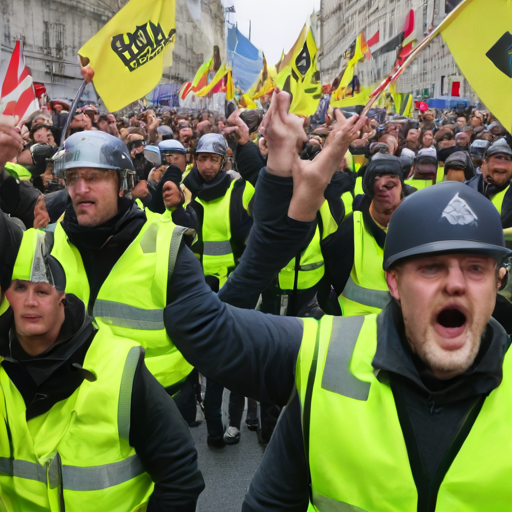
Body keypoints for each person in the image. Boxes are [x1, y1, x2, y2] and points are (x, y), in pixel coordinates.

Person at [162, 95, 512, 511]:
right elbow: (205, 329)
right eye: (431, 268)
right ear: (394, 282)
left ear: (499, 281)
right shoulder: (324, 359)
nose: (455, 285)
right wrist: (277, 184)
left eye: (475, 269)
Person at [0, 226, 204, 511]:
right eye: (20, 288)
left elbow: (180, 473)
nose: (31, 301)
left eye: (42, 290)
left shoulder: (120, 368)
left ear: (62, 296)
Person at [0, 130, 194, 410]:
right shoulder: (37, 244)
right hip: (58, 416)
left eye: (93, 177)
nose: (80, 189)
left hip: (144, 412)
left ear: (122, 183)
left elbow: (214, 333)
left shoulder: (168, 248)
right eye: (73, 178)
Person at [183, 133, 254, 448]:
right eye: (202, 159)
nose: (207, 165)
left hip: (234, 284)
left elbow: (267, 187)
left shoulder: (239, 190)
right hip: (199, 285)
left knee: (235, 353)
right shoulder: (187, 193)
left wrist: (248, 147)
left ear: (224, 161)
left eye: (213, 159)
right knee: (210, 357)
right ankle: (214, 426)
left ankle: (236, 422)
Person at [466, 138, 512, 228]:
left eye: (507, 159)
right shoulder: (467, 188)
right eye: (497, 158)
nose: (501, 166)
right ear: (483, 164)